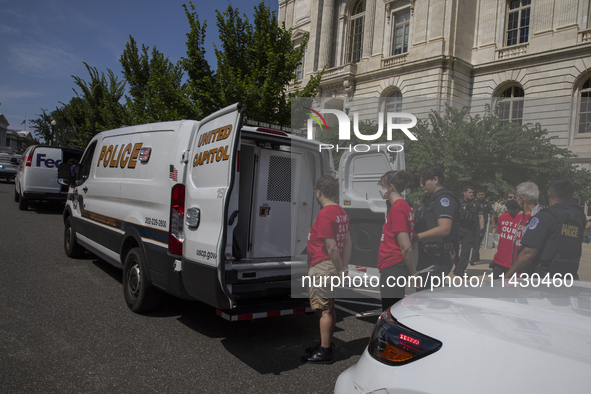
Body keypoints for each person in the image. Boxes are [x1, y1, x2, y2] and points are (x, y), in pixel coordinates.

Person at [302, 175, 351, 364]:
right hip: (332, 266)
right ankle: (326, 343)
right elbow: (347, 243)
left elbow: (331, 247)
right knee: (329, 307)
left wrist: (339, 270)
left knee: (324, 310)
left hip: (322, 266)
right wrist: (343, 268)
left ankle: (325, 351)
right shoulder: (342, 212)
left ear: (319, 192)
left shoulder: (325, 213)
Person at [506, 179, 586, 279]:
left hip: (542, 281)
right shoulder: (576, 220)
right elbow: (577, 255)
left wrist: (507, 277)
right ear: (569, 196)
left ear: (548, 193)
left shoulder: (544, 217)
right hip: (567, 281)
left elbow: (528, 253)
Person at [377, 170, 417, 311]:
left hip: (393, 265)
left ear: (391, 187)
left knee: (390, 312)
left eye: (383, 186)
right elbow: (413, 242)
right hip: (395, 265)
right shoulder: (404, 206)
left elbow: (406, 246)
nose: (382, 190)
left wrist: (413, 274)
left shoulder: (398, 208)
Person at [414, 166, 460, 285]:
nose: (421, 185)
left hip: (437, 257)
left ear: (435, 179)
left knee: (428, 298)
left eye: (423, 181)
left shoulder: (443, 200)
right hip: (427, 255)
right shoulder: (430, 200)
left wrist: (415, 237)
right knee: (421, 294)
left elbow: (444, 229)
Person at [454, 186, 482, 276]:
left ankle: (460, 270)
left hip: (470, 230)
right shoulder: (458, 202)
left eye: (472, 193)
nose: (471, 194)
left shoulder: (476, 204)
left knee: (465, 251)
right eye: (469, 192)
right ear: (464, 193)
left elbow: (480, 217)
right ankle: (457, 265)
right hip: (458, 229)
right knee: (454, 249)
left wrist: (482, 229)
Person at [490, 199, 521, 278]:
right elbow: (500, 234)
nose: (512, 212)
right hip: (500, 259)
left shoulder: (524, 219)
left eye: (514, 210)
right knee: (495, 285)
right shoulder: (502, 217)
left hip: (514, 262)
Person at [471, 189, 494, 264]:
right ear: (476, 195)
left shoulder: (487, 204)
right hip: (473, 224)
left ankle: (473, 258)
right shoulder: (473, 202)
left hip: (482, 225)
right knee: (474, 242)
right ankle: (476, 256)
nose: (481, 196)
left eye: (482, 195)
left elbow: (491, 215)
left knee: (477, 241)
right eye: (479, 195)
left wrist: (493, 226)